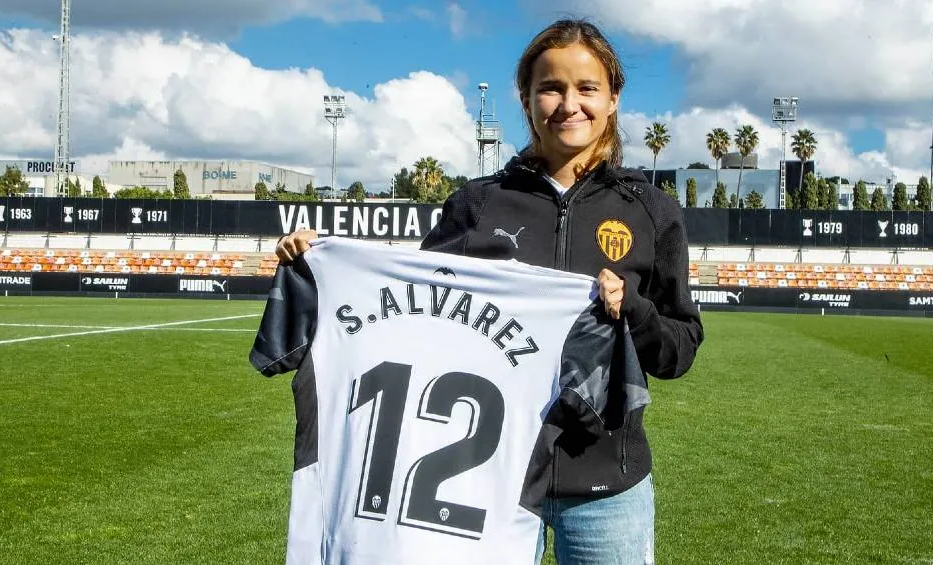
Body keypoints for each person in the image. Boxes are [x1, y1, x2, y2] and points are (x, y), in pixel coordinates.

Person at [275, 18, 704, 565]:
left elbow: (677, 352)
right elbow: (411, 311)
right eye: (551, 88)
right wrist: (322, 268)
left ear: (612, 98)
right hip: (480, 480)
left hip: (604, 485)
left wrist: (633, 310)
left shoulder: (650, 210)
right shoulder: (478, 204)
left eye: (587, 88)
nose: (569, 104)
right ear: (526, 99)